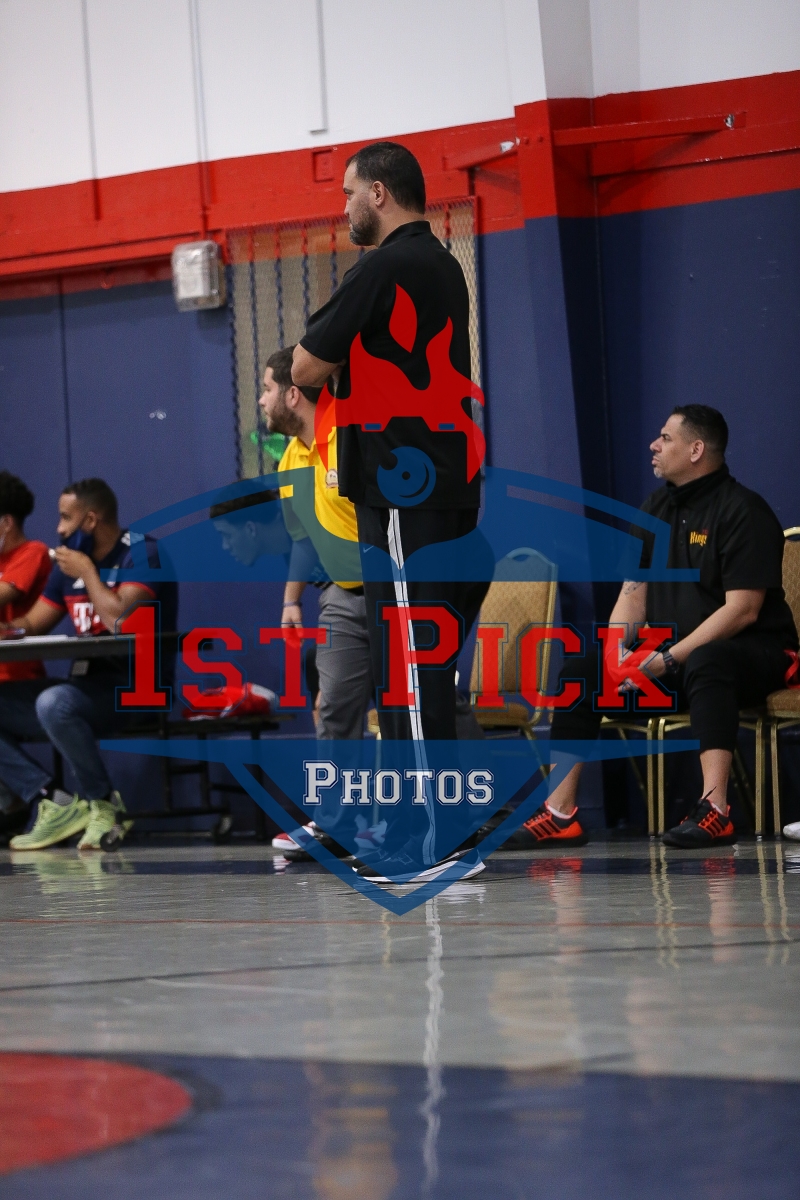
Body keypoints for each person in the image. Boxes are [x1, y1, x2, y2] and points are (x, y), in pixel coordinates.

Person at [510, 405, 798, 850]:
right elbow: (632, 596)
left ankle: (715, 810)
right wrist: (615, 654)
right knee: (583, 671)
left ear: (696, 449)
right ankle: (560, 813)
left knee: (708, 660)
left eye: (665, 437)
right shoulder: (655, 508)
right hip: (675, 660)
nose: (654, 445)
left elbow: (742, 610)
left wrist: (667, 659)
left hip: (755, 657)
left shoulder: (743, 510)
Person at [292, 141, 490, 746]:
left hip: (403, 488)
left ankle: (427, 808)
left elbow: (303, 366)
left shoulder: (382, 267)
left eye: (348, 193)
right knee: (419, 662)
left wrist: (337, 357)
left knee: (407, 667)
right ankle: (425, 801)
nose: (344, 208)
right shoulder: (444, 264)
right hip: (446, 483)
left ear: (377, 193)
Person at [0, 478, 177, 851]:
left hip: (139, 688)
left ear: (91, 520)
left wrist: (87, 573)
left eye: (66, 518)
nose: (59, 529)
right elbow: (31, 623)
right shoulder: (70, 566)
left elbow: (119, 620)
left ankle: (104, 804)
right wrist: (8, 629)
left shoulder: (143, 553)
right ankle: (52, 800)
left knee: (55, 703)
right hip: (87, 688)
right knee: (47, 702)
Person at [260, 345, 373, 742]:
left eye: (267, 389)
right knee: (333, 711)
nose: (262, 400)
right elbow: (304, 540)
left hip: (395, 591)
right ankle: (336, 789)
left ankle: (474, 783)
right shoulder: (289, 461)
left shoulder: (354, 434)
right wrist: (290, 601)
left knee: (426, 703)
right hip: (341, 596)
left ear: (293, 394)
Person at [0, 472, 53, 838]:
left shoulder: (31, 553)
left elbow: (6, 594)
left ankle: (43, 794)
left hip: (19, 685)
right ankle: (13, 802)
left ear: (6, 523)